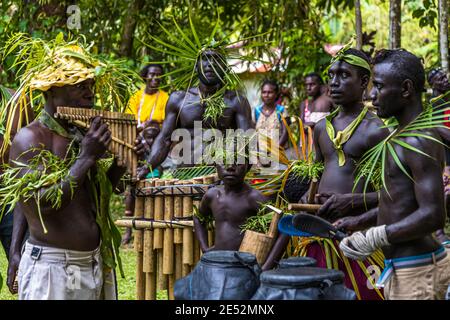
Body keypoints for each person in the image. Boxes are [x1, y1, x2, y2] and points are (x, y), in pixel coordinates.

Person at [1, 37, 133, 300]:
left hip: (93, 262)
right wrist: (86, 158)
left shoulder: (83, 133)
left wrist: (122, 160)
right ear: (51, 90)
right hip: (53, 268)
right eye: (79, 85)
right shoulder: (30, 139)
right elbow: (40, 204)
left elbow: (96, 193)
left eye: (91, 85)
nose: (89, 93)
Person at [265, 48, 390, 300]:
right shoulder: (321, 128)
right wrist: (308, 200)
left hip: (358, 238)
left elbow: (393, 193)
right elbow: (316, 178)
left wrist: (353, 201)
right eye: (331, 75)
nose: (334, 82)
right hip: (319, 235)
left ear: (364, 82)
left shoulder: (377, 131)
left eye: (344, 75)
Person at [339, 49, 450, 300]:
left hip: (418, 273)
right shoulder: (399, 136)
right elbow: (401, 202)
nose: (371, 95)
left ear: (406, 89)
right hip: (404, 270)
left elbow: (433, 215)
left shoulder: (418, 141)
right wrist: (360, 222)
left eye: (378, 86)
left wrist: (375, 237)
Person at [136, 49, 253, 178]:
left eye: (217, 60)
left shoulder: (236, 101)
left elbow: (247, 142)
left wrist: (234, 178)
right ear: (196, 67)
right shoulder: (179, 99)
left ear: (225, 69)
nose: (210, 64)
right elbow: (164, 140)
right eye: (205, 58)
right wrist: (146, 168)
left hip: (222, 179)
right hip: (185, 175)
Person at [122, 64, 169, 245]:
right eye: (152, 74)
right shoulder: (136, 97)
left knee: (154, 181)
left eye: (158, 75)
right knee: (132, 185)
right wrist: (143, 126)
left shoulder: (165, 98)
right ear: (145, 77)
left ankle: (150, 224)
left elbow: (168, 124)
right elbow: (129, 121)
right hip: (136, 144)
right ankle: (128, 231)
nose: (155, 78)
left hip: (157, 144)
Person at [194, 160, 267, 252]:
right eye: (224, 161)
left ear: (248, 166)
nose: (230, 167)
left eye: (238, 162)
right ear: (215, 165)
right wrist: (204, 248)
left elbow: (280, 230)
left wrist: (266, 265)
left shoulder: (254, 198)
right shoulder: (212, 195)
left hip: (243, 262)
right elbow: (198, 218)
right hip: (218, 260)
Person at [427, 68, 450, 244]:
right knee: (443, 193)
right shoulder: (434, 104)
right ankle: (439, 232)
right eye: (439, 78)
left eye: (444, 76)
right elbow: (437, 127)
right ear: (431, 83)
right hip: (444, 158)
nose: (444, 80)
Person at [254, 79, 288, 169]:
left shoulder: (281, 111)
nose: (266, 95)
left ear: (276, 94)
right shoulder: (256, 111)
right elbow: (252, 133)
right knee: (260, 180)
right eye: (264, 92)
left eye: (270, 92)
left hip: (278, 154)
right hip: (260, 154)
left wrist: (274, 151)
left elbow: (285, 132)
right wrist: (259, 153)